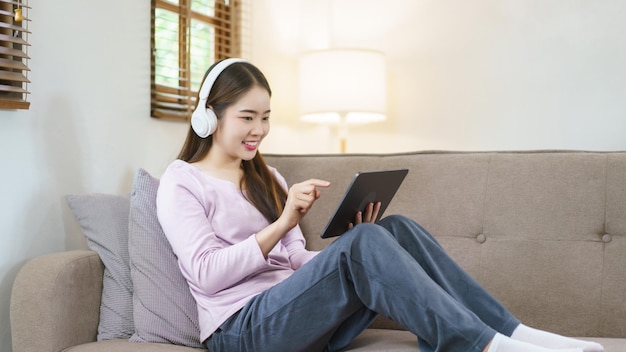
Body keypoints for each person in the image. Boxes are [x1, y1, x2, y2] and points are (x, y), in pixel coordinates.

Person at [156, 58, 604, 352]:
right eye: (247, 118)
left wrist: (354, 250)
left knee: (394, 230)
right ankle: (482, 345)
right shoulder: (181, 182)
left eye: (267, 117)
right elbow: (206, 273)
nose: (259, 130)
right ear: (210, 117)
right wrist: (284, 221)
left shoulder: (266, 177)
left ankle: (510, 331)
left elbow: (294, 260)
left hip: (293, 315)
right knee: (366, 243)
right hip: (242, 331)